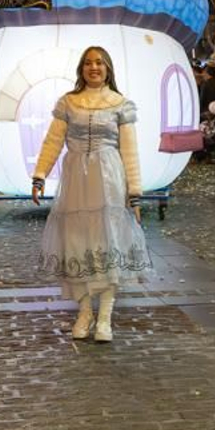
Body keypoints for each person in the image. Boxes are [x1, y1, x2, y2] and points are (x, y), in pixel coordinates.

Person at [30, 46, 150, 343]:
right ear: (81, 69)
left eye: (99, 62)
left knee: (107, 244)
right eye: (88, 63)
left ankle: (105, 317)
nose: (93, 67)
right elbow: (53, 141)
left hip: (108, 181)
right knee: (76, 244)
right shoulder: (68, 103)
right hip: (74, 184)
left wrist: (134, 192)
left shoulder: (120, 104)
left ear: (108, 67)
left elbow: (129, 152)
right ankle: (84, 312)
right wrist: (40, 174)